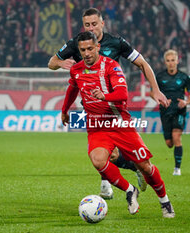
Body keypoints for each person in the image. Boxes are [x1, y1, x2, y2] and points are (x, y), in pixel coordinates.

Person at [49, 8, 167, 198]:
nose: (91, 28)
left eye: (94, 24)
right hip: (93, 107)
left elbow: (143, 63)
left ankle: (123, 176)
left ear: (102, 23)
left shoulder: (117, 43)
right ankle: (115, 180)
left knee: (117, 154)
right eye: (87, 24)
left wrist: (156, 89)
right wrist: (61, 63)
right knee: (105, 154)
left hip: (115, 105)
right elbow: (51, 62)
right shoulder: (77, 43)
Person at [61, 31, 175, 217]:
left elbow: (122, 94)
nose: (87, 53)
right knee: (98, 160)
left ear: (98, 47)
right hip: (97, 126)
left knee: (145, 166)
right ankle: (130, 190)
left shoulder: (111, 66)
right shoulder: (76, 70)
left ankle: (165, 201)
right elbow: (73, 88)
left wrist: (104, 96)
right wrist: (64, 110)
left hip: (119, 123)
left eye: (90, 48)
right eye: (83, 50)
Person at [155, 49, 190, 176]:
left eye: (173, 60)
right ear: (165, 62)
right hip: (165, 111)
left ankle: (177, 169)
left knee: (177, 137)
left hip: (179, 111)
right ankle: (174, 154)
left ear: (177, 61)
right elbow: (153, 92)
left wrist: (186, 102)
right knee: (169, 143)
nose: (171, 63)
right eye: (168, 61)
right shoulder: (160, 77)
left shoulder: (184, 77)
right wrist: (159, 99)